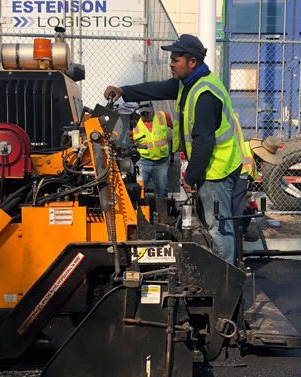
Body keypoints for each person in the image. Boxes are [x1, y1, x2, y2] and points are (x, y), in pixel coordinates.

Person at [104, 34, 244, 265]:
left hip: (217, 169)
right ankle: (221, 269)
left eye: (176, 60)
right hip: (211, 167)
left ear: (192, 62)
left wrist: (190, 177)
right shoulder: (188, 83)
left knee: (219, 226)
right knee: (215, 223)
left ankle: (226, 280)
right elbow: (156, 89)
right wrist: (123, 91)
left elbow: (203, 142)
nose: (170, 63)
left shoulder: (205, 95)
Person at [233, 135, 282, 240]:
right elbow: (240, 185)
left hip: (240, 180)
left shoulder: (247, 147)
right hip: (237, 181)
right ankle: (236, 236)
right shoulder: (248, 162)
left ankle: (241, 232)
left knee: (248, 208)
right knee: (238, 210)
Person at [132, 105, 172, 198]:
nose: (145, 115)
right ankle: (140, 210)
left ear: (152, 109)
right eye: (143, 113)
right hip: (143, 161)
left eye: (147, 112)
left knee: (162, 190)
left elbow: (176, 127)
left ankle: (162, 211)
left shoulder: (163, 116)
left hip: (161, 162)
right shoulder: (135, 122)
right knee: (139, 190)